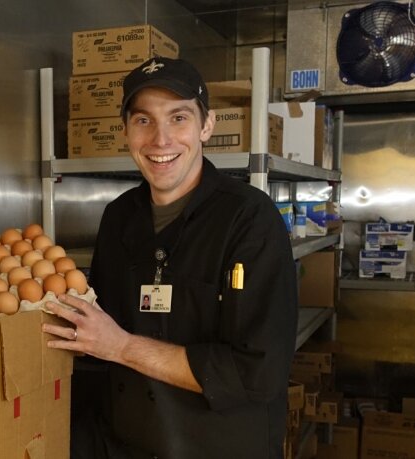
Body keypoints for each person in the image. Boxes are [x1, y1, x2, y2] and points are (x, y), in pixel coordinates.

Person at [42, 57, 298, 458]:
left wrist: (122, 346)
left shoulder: (250, 219)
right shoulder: (119, 217)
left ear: (206, 126)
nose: (160, 140)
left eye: (178, 118)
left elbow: (258, 373)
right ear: (126, 131)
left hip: (218, 446)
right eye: (143, 121)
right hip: (126, 443)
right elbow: (101, 342)